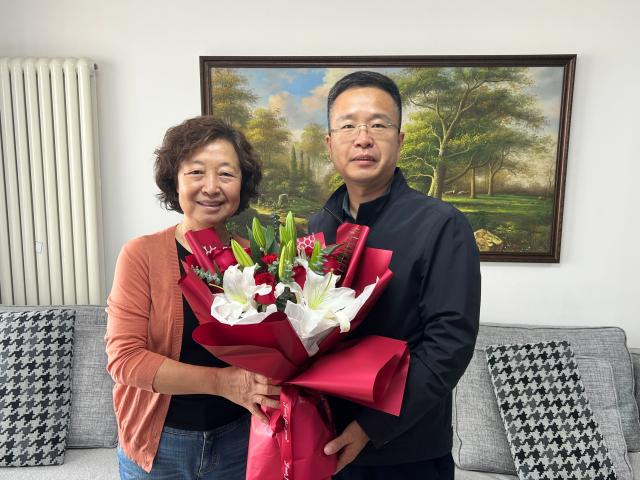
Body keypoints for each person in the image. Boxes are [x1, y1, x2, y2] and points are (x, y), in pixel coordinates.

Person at [309, 71, 481, 479]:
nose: (363, 138)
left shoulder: (442, 225)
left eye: (378, 125)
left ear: (400, 140)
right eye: (348, 126)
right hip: (323, 441)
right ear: (330, 143)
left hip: (405, 451)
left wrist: (370, 426)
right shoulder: (317, 227)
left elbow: (449, 343)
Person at [105, 116, 281, 479]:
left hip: (241, 439)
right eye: (196, 172)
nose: (211, 187)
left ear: (243, 183)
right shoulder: (142, 255)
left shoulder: (259, 259)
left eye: (226, 174)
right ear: (175, 181)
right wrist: (222, 382)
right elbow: (125, 360)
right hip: (160, 445)